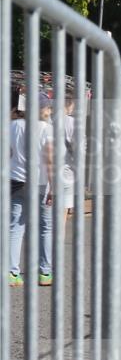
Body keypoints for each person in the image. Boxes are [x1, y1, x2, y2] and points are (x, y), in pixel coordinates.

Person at [9, 103, 56, 286]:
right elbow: (50, 160)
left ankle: (11, 273)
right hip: (40, 181)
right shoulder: (47, 129)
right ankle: (45, 273)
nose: (50, 111)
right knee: (45, 227)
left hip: (15, 180)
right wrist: (53, 187)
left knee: (15, 227)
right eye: (48, 108)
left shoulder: (12, 125)